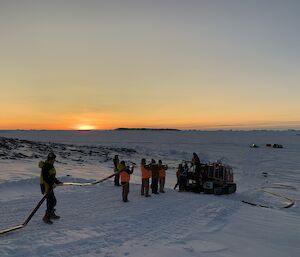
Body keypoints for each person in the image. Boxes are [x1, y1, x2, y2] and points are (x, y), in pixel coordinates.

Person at [39, 152, 63, 224]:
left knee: (53, 201)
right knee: (50, 202)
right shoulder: (46, 166)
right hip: (46, 186)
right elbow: (45, 178)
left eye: (54, 159)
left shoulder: (51, 165)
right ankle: (46, 217)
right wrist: (53, 183)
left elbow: (52, 177)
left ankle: (51, 214)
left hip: (50, 186)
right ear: (50, 159)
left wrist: (57, 182)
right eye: (53, 159)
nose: (54, 160)